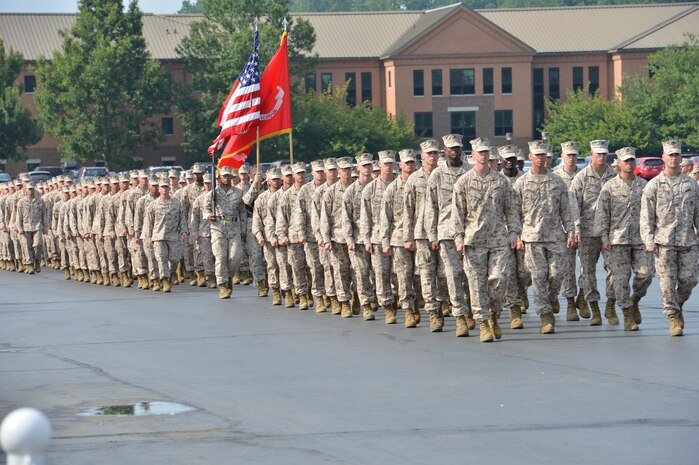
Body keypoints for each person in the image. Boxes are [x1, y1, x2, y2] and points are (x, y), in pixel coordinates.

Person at [454, 138, 521, 342]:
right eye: (479, 152)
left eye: (486, 152)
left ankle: (494, 313)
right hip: (473, 240)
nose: (483, 155)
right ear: (472, 155)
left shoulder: (500, 181)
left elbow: (511, 210)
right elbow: (458, 213)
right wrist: (459, 237)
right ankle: (483, 322)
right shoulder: (463, 182)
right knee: (476, 283)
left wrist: (514, 233)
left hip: (499, 239)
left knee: (499, 279)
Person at [513, 140, 578, 334]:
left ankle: (551, 297)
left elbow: (566, 210)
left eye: (544, 155)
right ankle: (545, 316)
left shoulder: (557, 181)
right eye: (537, 155)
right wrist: (516, 235)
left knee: (557, 273)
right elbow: (514, 212)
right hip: (531, 237)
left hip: (555, 236)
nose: (541, 159)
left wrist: (571, 231)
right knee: (539, 276)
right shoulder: (521, 183)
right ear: (530, 157)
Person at [640, 140, 699, 337]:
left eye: (676, 155)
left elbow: (698, 213)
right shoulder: (654, 185)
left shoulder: (690, 184)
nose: (674, 158)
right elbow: (646, 216)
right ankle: (673, 316)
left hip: (688, 240)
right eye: (670, 155)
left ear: (681, 158)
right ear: (664, 158)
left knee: (689, 279)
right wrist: (649, 240)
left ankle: (678, 304)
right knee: (666, 282)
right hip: (663, 242)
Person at [594, 147, 652, 331]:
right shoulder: (609, 187)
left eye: (631, 160)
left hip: (640, 239)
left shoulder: (644, 186)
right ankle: (627, 314)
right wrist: (604, 237)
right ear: (618, 163)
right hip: (617, 240)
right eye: (625, 161)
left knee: (646, 274)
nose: (629, 164)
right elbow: (602, 215)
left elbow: (652, 213)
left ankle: (634, 300)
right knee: (620, 279)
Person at [425, 134, 472, 336]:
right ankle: (459, 315)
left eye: (458, 147)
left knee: (471, 274)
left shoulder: (469, 172)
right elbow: (431, 206)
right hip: (446, 232)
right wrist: (432, 235)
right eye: (451, 148)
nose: (455, 151)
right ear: (445, 150)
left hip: (470, 233)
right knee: (452, 274)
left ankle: (470, 307)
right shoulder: (437, 174)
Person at [571, 140, 618, 325]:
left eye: (604, 154)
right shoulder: (581, 178)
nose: (601, 157)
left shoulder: (614, 176)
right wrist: (575, 229)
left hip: (610, 233)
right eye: (598, 154)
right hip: (587, 232)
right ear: (591, 154)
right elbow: (573, 205)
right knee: (587, 272)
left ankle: (611, 305)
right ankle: (594, 308)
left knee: (615, 270)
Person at [404, 139, 448, 332]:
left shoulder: (445, 176)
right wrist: (408, 236)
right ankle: (432, 312)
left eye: (435, 153)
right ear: (421, 156)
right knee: (427, 274)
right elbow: (408, 210)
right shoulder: (414, 179)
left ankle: (444, 302)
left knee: (446, 274)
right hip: (422, 233)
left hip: (445, 231)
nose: (432, 156)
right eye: (429, 153)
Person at [381, 149, 419, 327]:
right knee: (403, 276)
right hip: (398, 239)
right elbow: (385, 217)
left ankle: (419, 303)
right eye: (407, 163)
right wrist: (385, 241)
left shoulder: (422, 184)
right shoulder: (392, 189)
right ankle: (408, 310)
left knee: (421, 275)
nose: (410, 165)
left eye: (412, 162)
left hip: (421, 236)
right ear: (400, 165)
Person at [360, 151, 396, 323]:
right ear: (379, 165)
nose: (388, 167)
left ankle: (402, 302)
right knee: (381, 273)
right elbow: (365, 217)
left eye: (391, 163)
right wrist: (366, 239)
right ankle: (387, 306)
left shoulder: (400, 186)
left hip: (398, 237)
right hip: (377, 238)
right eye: (385, 164)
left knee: (399, 274)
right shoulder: (370, 189)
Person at [203, 166, 247, 299]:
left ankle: (229, 276)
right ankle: (222, 285)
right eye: (224, 176)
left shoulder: (238, 193)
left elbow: (243, 212)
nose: (226, 178)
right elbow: (205, 209)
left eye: (228, 176)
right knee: (221, 257)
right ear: (219, 177)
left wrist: (243, 230)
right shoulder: (212, 194)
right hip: (218, 228)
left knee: (235, 257)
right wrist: (209, 215)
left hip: (234, 228)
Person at [554, 141, 585, 321]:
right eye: (568, 155)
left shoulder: (584, 176)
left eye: (574, 155)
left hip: (587, 228)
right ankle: (571, 304)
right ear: (562, 156)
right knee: (568, 268)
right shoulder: (556, 177)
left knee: (587, 269)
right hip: (564, 229)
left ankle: (583, 295)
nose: (571, 158)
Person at [342, 153, 375, 320]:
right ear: (358, 168)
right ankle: (366, 304)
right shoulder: (351, 192)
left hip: (376, 238)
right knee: (361, 272)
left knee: (377, 273)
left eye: (369, 165)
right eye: (364, 166)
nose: (367, 169)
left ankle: (361, 293)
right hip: (358, 239)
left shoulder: (377, 188)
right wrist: (349, 240)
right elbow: (346, 218)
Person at [321, 157, 355, 317]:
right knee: (340, 271)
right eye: (343, 169)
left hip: (356, 238)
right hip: (337, 237)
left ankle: (357, 296)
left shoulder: (357, 189)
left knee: (358, 271)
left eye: (349, 169)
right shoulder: (331, 192)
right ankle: (344, 301)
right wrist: (326, 239)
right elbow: (324, 217)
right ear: (338, 172)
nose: (347, 172)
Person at [142, 178, 188, 292]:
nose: (164, 189)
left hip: (173, 236)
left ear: (169, 188)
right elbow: (148, 223)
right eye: (162, 187)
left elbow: (182, 218)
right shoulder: (153, 205)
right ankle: (165, 280)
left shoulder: (176, 203)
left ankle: (172, 273)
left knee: (175, 258)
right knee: (161, 259)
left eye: (166, 186)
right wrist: (148, 237)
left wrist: (184, 232)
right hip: (159, 237)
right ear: (159, 188)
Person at [295, 161, 327, 311]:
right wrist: (301, 233)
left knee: (328, 266)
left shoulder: (330, 188)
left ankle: (330, 294)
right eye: (317, 171)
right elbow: (300, 213)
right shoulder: (305, 190)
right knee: (315, 266)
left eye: (322, 171)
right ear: (312, 173)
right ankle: (319, 296)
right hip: (311, 235)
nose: (320, 174)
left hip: (328, 236)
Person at [15, 181, 48, 274]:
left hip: (37, 226)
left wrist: (46, 226)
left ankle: (37, 261)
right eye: (29, 189)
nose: (30, 190)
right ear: (26, 190)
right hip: (25, 227)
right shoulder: (21, 202)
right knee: (27, 246)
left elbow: (44, 214)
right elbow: (18, 216)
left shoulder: (40, 201)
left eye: (32, 189)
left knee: (38, 245)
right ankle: (29, 265)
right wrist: (19, 227)